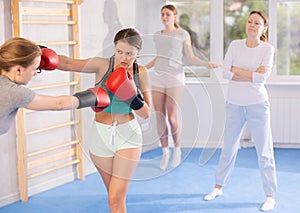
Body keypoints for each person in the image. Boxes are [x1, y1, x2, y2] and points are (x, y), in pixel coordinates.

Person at [57, 28, 151, 213]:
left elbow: (147, 113)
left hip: (127, 136)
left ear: (138, 53)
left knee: (116, 198)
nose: (124, 58)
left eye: (130, 53)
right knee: (113, 199)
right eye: (119, 52)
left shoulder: (141, 72)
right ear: (114, 48)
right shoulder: (102, 65)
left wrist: (131, 97)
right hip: (99, 136)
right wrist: (38, 54)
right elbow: (68, 63)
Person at [204, 11, 277, 212]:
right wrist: (250, 74)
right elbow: (226, 72)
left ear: (264, 28)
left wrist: (238, 70)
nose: (252, 25)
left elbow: (260, 79)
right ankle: (218, 186)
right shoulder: (235, 45)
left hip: (257, 105)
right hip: (234, 103)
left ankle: (270, 195)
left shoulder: (267, 49)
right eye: (250, 21)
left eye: (257, 23)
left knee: (264, 151)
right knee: (228, 148)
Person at [145, 4, 220, 170]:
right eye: (163, 14)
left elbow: (191, 57)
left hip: (175, 78)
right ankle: (165, 152)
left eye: (168, 14)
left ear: (175, 16)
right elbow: (159, 57)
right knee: (159, 116)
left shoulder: (182, 34)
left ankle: (177, 149)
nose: (165, 17)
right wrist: (143, 68)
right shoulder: (158, 35)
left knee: (172, 117)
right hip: (158, 77)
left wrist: (205, 64)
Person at [0, 37, 110, 135]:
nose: (35, 73)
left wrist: (35, 51)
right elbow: (59, 104)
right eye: (35, 69)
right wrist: (93, 97)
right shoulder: (15, 93)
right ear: (18, 70)